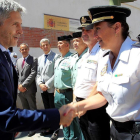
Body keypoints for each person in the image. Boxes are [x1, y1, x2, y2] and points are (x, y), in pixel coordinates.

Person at [0, 1, 74, 140]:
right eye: (15, 24)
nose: (21, 31)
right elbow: (5, 116)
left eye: (21, 24)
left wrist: (14, 126)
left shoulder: (5, 56)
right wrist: (58, 116)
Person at [64, 5, 140, 140]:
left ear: (117, 27)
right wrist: (75, 106)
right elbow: (103, 94)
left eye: (98, 28)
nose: (95, 34)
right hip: (116, 130)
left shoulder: (137, 56)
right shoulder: (106, 59)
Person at [71, 16, 110, 140]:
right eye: (83, 30)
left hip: (94, 108)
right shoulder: (85, 55)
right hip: (81, 106)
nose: (84, 33)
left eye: (88, 30)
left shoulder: (103, 53)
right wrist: (74, 101)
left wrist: (84, 105)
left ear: (96, 32)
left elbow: (100, 83)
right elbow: (78, 83)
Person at [53, 35, 80, 140]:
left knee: (71, 119)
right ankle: (66, 136)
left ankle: (74, 138)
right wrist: (55, 91)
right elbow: (56, 77)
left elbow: (74, 78)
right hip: (58, 94)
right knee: (62, 118)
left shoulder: (73, 58)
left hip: (68, 93)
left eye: (60, 43)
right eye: (58, 43)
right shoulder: (58, 59)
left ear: (67, 45)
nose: (58, 45)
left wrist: (74, 97)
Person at [36, 38, 59, 137]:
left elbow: (56, 73)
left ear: (50, 45)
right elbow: (38, 74)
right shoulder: (40, 58)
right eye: (43, 45)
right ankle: (49, 127)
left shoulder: (56, 56)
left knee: (53, 109)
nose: (45, 46)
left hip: (51, 88)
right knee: (47, 109)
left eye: (47, 45)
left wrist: (47, 85)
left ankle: (55, 130)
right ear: (41, 47)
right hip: (43, 89)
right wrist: (40, 84)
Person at [16, 43, 37, 137]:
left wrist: (23, 85)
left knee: (32, 109)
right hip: (20, 91)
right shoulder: (18, 60)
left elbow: (33, 73)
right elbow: (16, 74)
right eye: (22, 49)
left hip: (29, 89)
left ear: (28, 49)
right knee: (25, 109)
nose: (23, 51)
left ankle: (34, 127)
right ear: (20, 50)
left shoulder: (33, 59)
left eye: (25, 49)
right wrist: (18, 85)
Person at [71, 31, 88, 140]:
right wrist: (74, 99)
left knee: (87, 130)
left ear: (85, 42)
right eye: (73, 41)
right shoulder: (74, 57)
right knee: (80, 125)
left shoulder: (89, 56)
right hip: (76, 96)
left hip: (88, 97)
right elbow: (74, 81)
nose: (75, 43)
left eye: (77, 40)